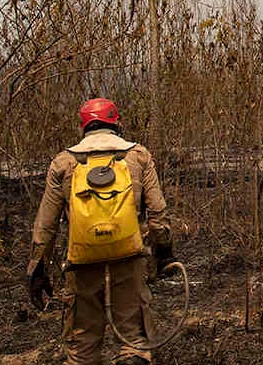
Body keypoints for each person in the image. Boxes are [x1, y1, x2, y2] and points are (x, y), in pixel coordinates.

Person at [26, 98, 174, 365]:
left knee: (81, 348)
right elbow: (158, 213)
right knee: (134, 343)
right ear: (116, 122)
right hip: (128, 260)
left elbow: (45, 224)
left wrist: (37, 270)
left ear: (84, 126)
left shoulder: (63, 162)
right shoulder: (138, 156)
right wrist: (164, 254)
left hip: (82, 265)